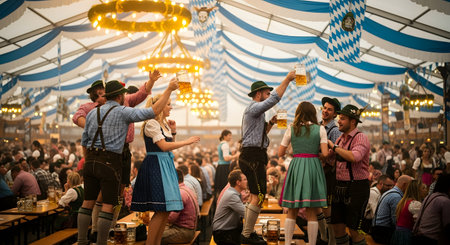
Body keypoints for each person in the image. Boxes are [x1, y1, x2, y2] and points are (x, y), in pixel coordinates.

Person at [77, 79, 178, 245]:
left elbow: (85, 142)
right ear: (119, 97)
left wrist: (88, 162)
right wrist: (169, 89)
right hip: (110, 162)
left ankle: (81, 241)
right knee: (109, 205)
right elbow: (152, 111)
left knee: (88, 202)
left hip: (90, 162)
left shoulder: (93, 113)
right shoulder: (122, 111)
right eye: (124, 95)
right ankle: (101, 243)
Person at [130, 94, 200, 245]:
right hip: (156, 165)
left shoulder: (164, 125)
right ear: (160, 106)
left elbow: (168, 147)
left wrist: (173, 132)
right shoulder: (151, 123)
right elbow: (163, 146)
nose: (171, 107)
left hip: (165, 164)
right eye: (168, 104)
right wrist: (186, 142)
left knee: (166, 209)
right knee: (161, 209)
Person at [239, 71, 295, 244]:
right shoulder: (253, 107)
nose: (268, 95)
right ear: (258, 94)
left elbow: (260, 135)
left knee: (257, 195)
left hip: (255, 155)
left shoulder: (257, 113)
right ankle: (246, 235)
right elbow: (274, 99)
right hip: (252, 156)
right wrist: (287, 79)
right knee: (259, 195)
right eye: (266, 93)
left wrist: (270, 123)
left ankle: (247, 232)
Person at [278, 101, 329, 245]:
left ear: (298, 113)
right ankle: (311, 243)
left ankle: (287, 243)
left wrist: (293, 151)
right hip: (313, 166)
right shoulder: (320, 129)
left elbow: (280, 152)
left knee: (292, 209)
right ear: (313, 113)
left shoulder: (291, 128)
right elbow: (325, 153)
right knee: (312, 210)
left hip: (297, 165)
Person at [326, 104, 371, 245]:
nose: (338, 121)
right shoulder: (341, 139)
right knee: (337, 228)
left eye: (342, 119)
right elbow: (329, 158)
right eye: (339, 118)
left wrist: (333, 146)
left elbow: (354, 157)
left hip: (357, 188)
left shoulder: (360, 137)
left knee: (354, 230)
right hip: (339, 187)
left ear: (353, 122)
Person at [318, 97, 342, 244]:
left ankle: (331, 240)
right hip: (318, 171)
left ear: (335, 114)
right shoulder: (318, 126)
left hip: (328, 174)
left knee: (327, 207)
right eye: (324, 108)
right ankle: (323, 237)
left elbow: (336, 155)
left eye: (329, 109)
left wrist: (319, 156)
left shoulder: (335, 131)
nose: (325, 111)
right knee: (316, 206)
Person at [161, 169, 199, 245]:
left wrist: (159, 214)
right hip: (190, 228)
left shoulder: (179, 193)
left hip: (184, 232)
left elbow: (171, 219)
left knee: (154, 236)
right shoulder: (186, 189)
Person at [371, 175, 412, 244]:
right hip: (382, 232)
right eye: (410, 186)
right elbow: (395, 220)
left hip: (376, 228)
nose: (411, 188)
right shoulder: (396, 196)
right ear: (405, 185)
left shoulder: (390, 192)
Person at [412, 173, 450, 245]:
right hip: (429, 239)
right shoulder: (444, 201)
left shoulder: (430, 196)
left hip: (418, 235)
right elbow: (447, 225)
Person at [213, 170, 247, 245]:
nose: (247, 181)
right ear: (238, 182)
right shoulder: (232, 195)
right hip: (223, 233)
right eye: (245, 179)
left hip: (228, 230)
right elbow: (246, 213)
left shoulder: (233, 192)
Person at [391, 180, 427, 245]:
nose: (425, 190)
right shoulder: (415, 204)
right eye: (423, 188)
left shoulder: (403, 201)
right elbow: (419, 223)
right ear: (417, 190)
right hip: (406, 234)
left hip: (398, 232)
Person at [215, 129, 239, 194]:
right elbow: (226, 158)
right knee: (224, 186)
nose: (231, 137)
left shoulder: (221, 144)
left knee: (221, 188)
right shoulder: (225, 144)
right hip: (224, 167)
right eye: (229, 135)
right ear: (224, 136)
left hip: (221, 166)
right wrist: (236, 156)